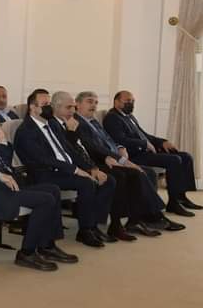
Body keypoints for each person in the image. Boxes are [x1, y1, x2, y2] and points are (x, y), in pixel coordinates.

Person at [0, 108, 76, 271]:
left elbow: (5, 165)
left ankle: (47, 245)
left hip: (9, 188)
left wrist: (3, 142)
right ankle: (26, 252)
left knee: (52, 189)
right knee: (46, 200)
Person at [15, 89, 116, 248]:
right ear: (33, 108)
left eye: (49, 104)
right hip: (44, 173)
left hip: (62, 170)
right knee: (86, 183)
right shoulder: (26, 131)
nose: (49, 108)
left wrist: (91, 168)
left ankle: (93, 226)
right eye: (45, 104)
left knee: (106, 179)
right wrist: (75, 170)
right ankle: (85, 230)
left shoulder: (51, 125)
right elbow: (44, 159)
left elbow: (69, 150)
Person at [66, 91, 173, 237]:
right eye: (89, 101)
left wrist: (120, 147)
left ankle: (139, 218)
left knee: (147, 172)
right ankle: (139, 219)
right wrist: (121, 160)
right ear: (77, 104)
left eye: (96, 102)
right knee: (129, 174)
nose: (94, 105)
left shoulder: (94, 121)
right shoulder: (76, 122)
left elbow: (108, 140)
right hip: (98, 161)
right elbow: (92, 147)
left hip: (111, 157)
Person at [104, 90, 201, 215]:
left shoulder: (129, 117)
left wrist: (162, 142)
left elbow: (144, 135)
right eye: (127, 101)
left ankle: (181, 196)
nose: (131, 103)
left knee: (186, 157)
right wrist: (144, 144)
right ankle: (173, 203)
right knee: (174, 160)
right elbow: (120, 139)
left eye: (133, 101)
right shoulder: (112, 118)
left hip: (145, 151)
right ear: (116, 102)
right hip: (134, 155)